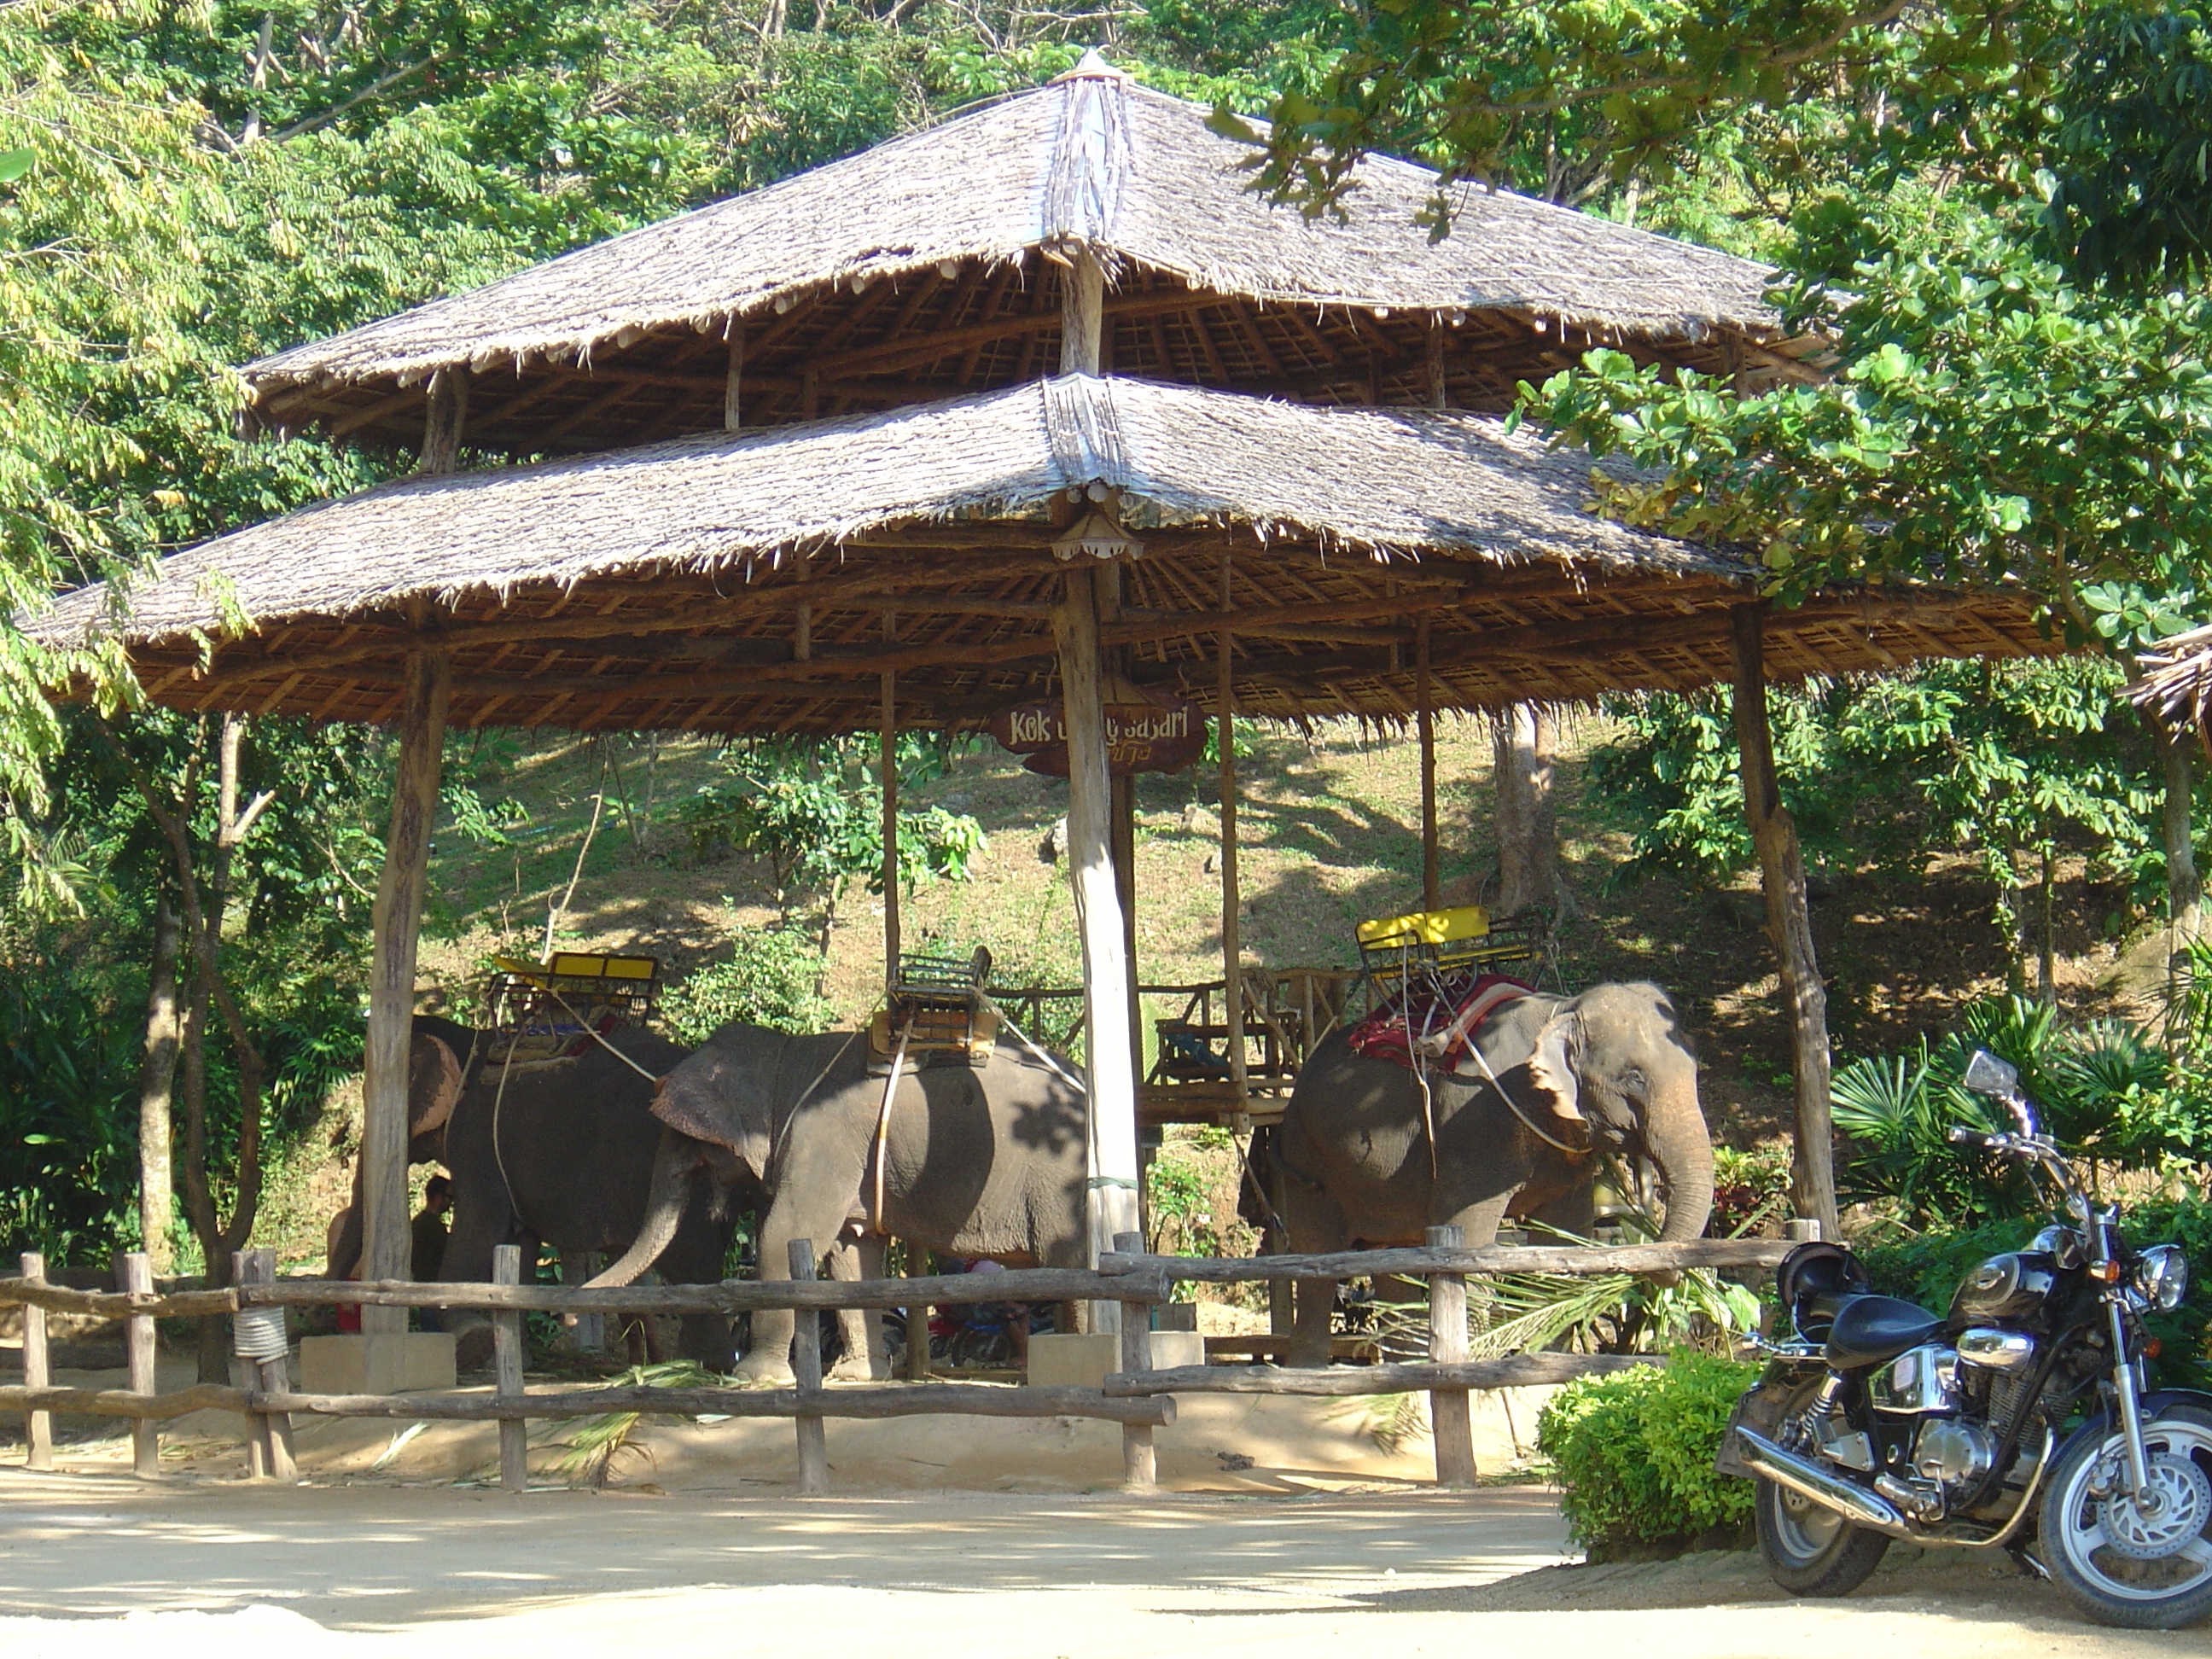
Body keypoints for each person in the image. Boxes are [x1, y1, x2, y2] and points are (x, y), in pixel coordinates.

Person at [410, 1174, 453, 1283]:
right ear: (438, 1197)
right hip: (430, 1283)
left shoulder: (416, 1221)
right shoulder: (435, 1227)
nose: (451, 1202)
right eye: (449, 1197)